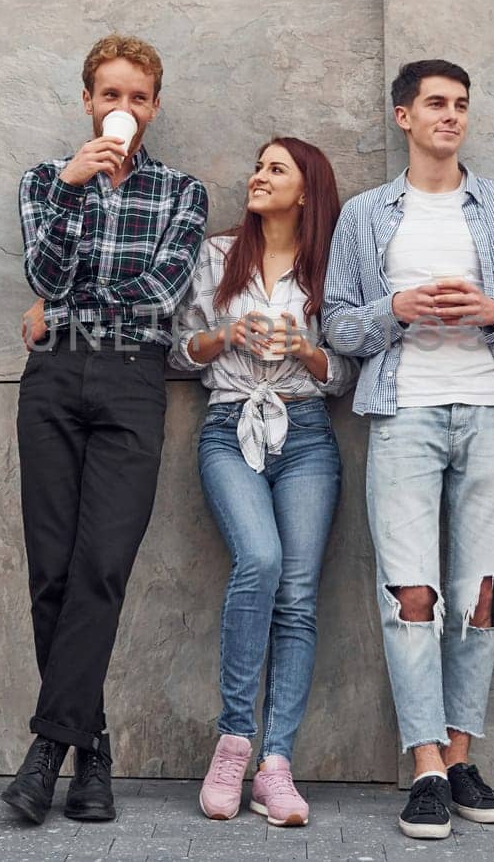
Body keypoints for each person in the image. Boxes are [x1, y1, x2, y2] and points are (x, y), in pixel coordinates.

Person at [323, 60, 494, 840]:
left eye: (461, 105)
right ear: (403, 117)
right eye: (436, 105)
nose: (451, 116)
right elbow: (339, 328)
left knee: (483, 596)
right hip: (403, 411)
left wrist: (489, 311)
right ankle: (422, 764)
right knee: (410, 592)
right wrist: (396, 308)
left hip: (490, 411)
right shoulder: (365, 215)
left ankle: (459, 756)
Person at [3, 34, 208, 826]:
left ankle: (46, 753)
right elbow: (44, 278)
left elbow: (161, 291)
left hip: (130, 379)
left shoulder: (182, 193)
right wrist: (72, 190)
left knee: (101, 566)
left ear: (154, 107)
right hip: (53, 379)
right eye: (111, 94)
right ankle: (93, 751)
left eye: (139, 97)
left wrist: (69, 303)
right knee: (50, 570)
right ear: (88, 100)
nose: (124, 108)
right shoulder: (43, 183)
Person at [170, 138, 358, 828]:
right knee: (262, 560)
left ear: (306, 189)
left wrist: (306, 352)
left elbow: (348, 372)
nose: (258, 176)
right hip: (229, 427)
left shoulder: (331, 263)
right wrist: (225, 337)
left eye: (275, 168)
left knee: (300, 597)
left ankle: (274, 765)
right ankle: (233, 743)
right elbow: (177, 349)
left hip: (306, 433)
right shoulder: (218, 255)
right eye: (257, 165)